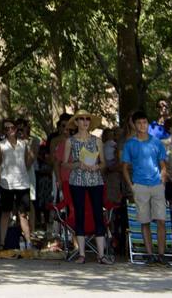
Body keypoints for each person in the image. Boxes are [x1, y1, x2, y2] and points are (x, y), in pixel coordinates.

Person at [120, 109, 169, 265]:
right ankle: (149, 254)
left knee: (161, 219)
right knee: (144, 220)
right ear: (134, 125)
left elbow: (163, 164)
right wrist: (131, 185)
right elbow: (125, 167)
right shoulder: (130, 144)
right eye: (139, 123)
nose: (142, 125)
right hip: (140, 184)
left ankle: (161, 255)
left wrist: (163, 180)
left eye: (145, 122)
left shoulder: (156, 142)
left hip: (156, 184)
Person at [59, 111, 108, 265]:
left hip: (95, 180)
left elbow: (104, 163)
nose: (85, 121)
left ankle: (101, 255)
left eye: (88, 119)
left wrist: (97, 167)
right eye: (82, 119)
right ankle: (81, 254)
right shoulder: (70, 141)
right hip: (77, 180)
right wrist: (77, 164)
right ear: (76, 122)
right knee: (79, 213)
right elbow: (64, 163)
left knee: (98, 214)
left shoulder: (97, 141)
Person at [0, 117, 35, 254]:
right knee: (5, 213)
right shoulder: (0, 145)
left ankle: (29, 242)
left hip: (22, 182)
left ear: (16, 129)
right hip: (6, 183)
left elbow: (26, 162)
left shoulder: (24, 143)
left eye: (12, 127)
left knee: (23, 214)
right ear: (4, 131)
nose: (10, 130)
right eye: (6, 128)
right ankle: (2, 243)